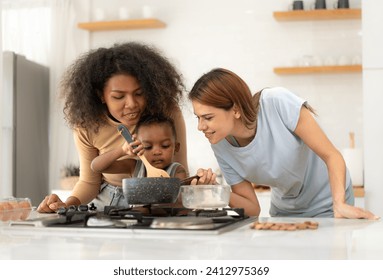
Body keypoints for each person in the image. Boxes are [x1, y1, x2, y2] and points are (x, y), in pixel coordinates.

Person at [37, 42, 214, 213]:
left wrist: (195, 188)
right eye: (119, 96)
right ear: (101, 95)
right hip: (107, 200)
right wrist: (68, 204)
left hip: (155, 201)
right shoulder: (86, 125)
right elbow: (90, 181)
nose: (131, 104)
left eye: (139, 93)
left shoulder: (166, 113)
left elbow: (178, 170)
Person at [188, 67, 379, 219]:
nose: (200, 126)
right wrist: (216, 191)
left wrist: (340, 204)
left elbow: (332, 156)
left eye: (208, 117)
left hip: (331, 203)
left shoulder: (276, 103)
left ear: (235, 109)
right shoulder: (220, 144)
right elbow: (252, 209)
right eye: (198, 118)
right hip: (285, 211)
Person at [91, 114, 202, 208]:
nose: (157, 152)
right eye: (148, 147)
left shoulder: (177, 171)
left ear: (176, 148)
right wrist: (122, 150)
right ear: (138, 147)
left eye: (165, 146)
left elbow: (180, 203)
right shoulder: (134, 167)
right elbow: (96, 167)